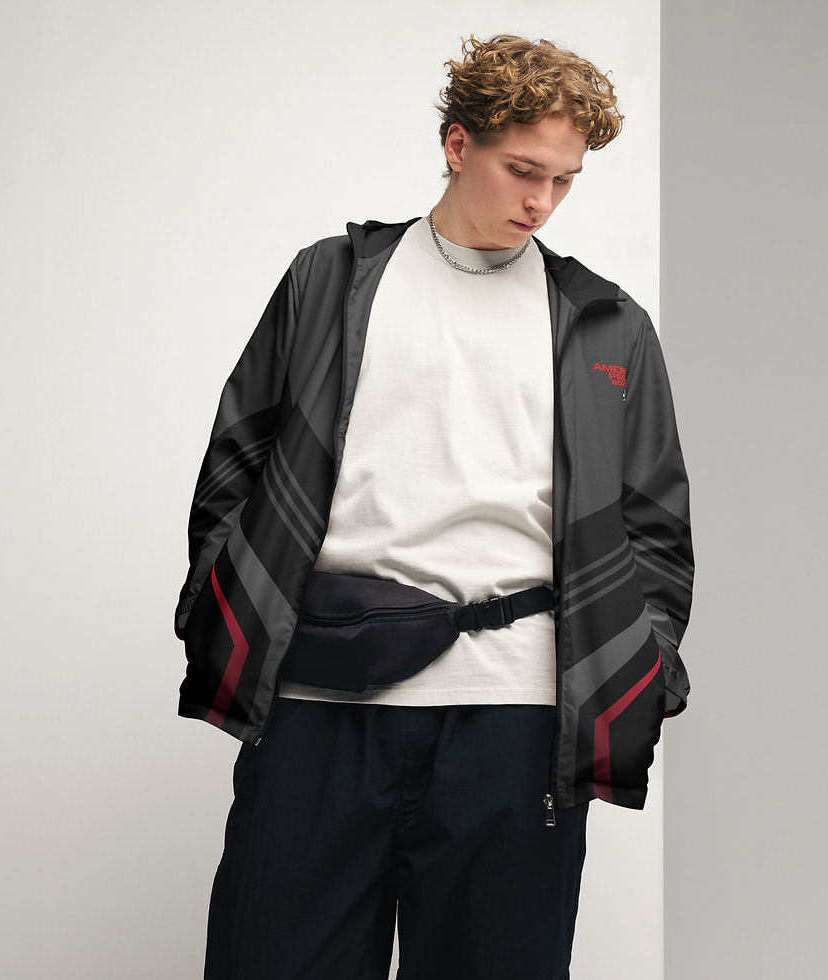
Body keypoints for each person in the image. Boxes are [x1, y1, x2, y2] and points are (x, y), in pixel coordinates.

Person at [175, 33, 693, 979]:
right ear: (458, 145)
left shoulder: (606, 325)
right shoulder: (329, 282)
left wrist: (640, 668)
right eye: (522, 170)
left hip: (519, 721)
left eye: (565, 181)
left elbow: (655, 528)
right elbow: (234, 466)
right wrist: (225, 607)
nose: (542, 202)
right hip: (322, 700)